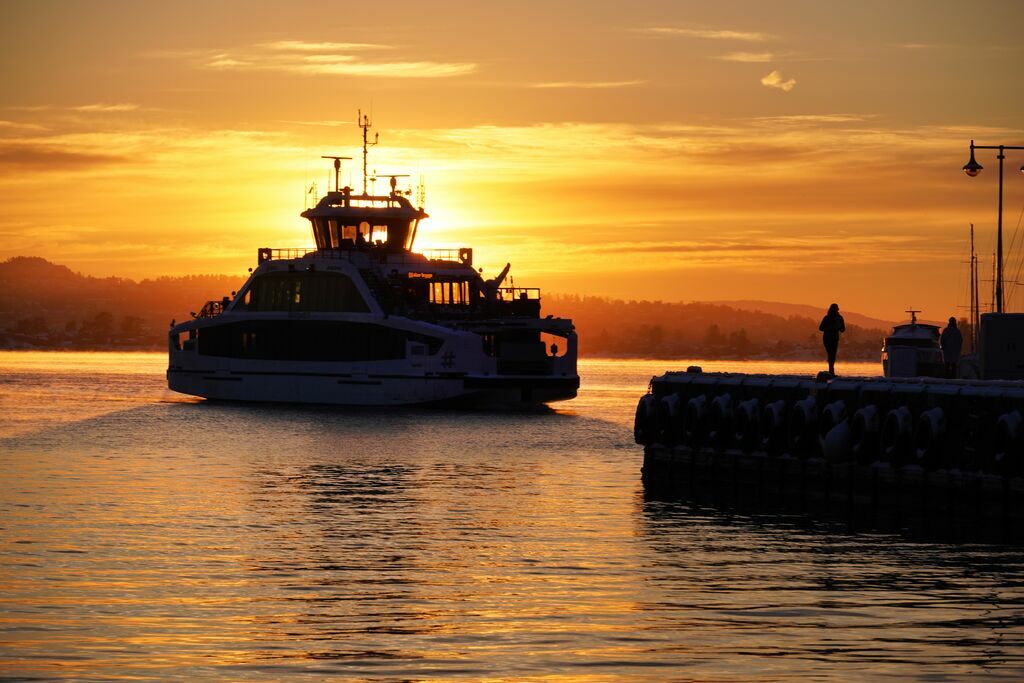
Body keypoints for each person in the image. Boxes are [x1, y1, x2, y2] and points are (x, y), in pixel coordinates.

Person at [818, 303, 846, 376]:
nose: (836, 311)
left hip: (834, 339)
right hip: (827, 339)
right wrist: (831, 328)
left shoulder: (839, 318)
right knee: (831, 354)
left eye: (836, 310)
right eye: (835, 310)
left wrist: (839, 326)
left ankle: (831, 370)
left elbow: (843, 329)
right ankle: (831, 370)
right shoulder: (827, 318)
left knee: (832, 355)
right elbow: (821, 328)